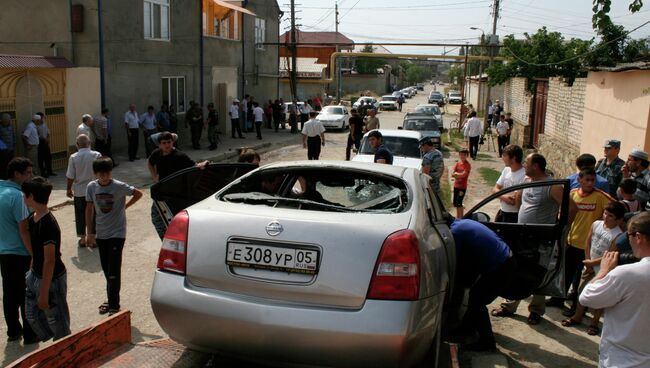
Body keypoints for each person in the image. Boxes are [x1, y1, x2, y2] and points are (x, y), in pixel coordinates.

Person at [492, 153, 578, 325]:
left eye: (527, 162)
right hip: (522, 236)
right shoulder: (526, 181)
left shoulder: (552, 186)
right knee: (516, 270)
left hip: (541, 238)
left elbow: (573, 208)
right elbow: (518, 202)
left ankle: (536, 311)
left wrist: (561, 231)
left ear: (536, 166)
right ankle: (509, 305)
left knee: (538, 273)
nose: (524, 164)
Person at [579, 212, 650, 368]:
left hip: (621, 360)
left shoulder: (627, 273)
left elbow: (587, 297)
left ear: (638, 237)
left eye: (629, 235)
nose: (628, 240)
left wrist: (604, 271)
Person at [86, 157, 142, 316]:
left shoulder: (119, 186)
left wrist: (125, 207)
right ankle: (111, 298)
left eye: (107, 173)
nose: (104, 176)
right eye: (101, 174)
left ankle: (113, 306)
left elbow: (138, 194)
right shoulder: (91, 187)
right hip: (101, 234)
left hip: (117, 233)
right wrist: (89, 232)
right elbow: (88, 209)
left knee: (113, 270)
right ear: (96, 174)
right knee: (106, 269)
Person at [450, 218, 517, 352]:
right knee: (475, 295)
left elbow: (453, 261)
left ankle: (487, 343)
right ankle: (467, 328)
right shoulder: (462, 223)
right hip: (505, 260)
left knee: (477, 301)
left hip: (501, 266)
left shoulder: (455, 232)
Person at [562, 201, 625, 336]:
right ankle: (577, 316)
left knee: (601, 297)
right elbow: (588, 242)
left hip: (604, 269)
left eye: (610, 216)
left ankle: (594, 323)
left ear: (619, 220)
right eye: (605, 214)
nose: (606, 217)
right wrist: (588, 261)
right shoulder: (596, 224)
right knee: (581, 292)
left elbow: (609, 256)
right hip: (589, 265)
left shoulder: (618, 235)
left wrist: (592, 263)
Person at [22, 177, 70, 342]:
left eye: (24, 194)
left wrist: (43, 293)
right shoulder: (32, 218)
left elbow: (49, 261)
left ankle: (63, 350)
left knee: (58, 323)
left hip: (51, 279)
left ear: (31, 197)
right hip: (35, 274)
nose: (23, 197)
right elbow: (37, 253)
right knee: (32, 315)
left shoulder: (48, 224)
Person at [0, 157, 38, 344]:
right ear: (17, 174)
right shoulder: (17, 197)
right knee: (26, 294)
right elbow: (24, 230)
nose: (31, 176)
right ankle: (31, 335)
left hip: (4, 253)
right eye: (28, 173)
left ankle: (13, 331)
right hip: (20, 253)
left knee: (9, 294)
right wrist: (33, 253)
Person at [148, 132, 207, 239]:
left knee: (177, 220)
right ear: (159, 145)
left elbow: (194, 167)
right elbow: (150, 162)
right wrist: (154, 176)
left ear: (173, 142)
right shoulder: (157, 153)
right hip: (161, 192)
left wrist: (203, 164)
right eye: (164, 143)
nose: (167, 145)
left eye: (169, 142)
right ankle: (165, 240)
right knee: (157, 219)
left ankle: (179, 241)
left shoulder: (180, 156)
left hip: (175, 194)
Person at [66, 134, 101, 248]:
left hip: (80, 191)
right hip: (95, 191)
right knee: (94, 214)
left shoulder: (73, 157)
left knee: (80, 214)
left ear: (77, 145)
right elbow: (101, 173)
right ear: (89, 143)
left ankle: (82, 238)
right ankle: (93, 238)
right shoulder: (96, 155)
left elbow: (70, 176)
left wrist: (68, 189)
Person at [493, 144, 526, 223]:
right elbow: (495, 189)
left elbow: (515, 199)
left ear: (513, 158)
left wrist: (500, 195)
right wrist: (504, 197)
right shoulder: (507, 170)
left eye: (504, 156)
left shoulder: (524, 174)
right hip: (502, 211)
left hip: (514, 215)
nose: (502, 158)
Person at [452, 148, 471, 218]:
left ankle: (461, 218)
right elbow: (453, 174)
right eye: (461, 154)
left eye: (464, 155)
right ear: (459, 155)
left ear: (467, 156)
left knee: (459, 202)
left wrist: (457, 175)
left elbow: (464, 175)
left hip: (462, 187)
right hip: (456, 186)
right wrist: (458, 175)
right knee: (455, 203)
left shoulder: (467, 165)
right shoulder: (458, 164)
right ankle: (458, 216)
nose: (462, 156)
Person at [35, 112, 54, 178]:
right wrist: (42, 138)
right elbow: (36, 135)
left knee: (48, 157)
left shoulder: (44, 124)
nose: (43, 119)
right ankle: (43, 173)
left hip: (46, 142)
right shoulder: (36, 125)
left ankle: (49, 171)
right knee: (41, 158)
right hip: (40, 142)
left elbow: (48, 132)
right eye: (42, 117)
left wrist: (48, 139)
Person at [0, 113, 16, 180]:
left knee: (11, 164)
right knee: (3, 165)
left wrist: (14, 142)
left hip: (11, 149)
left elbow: (13, 134)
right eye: (8, 120)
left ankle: (10, 177)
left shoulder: (10, 126)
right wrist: (3, 148)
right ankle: (3, 178)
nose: (10, 121)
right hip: (3, 151)